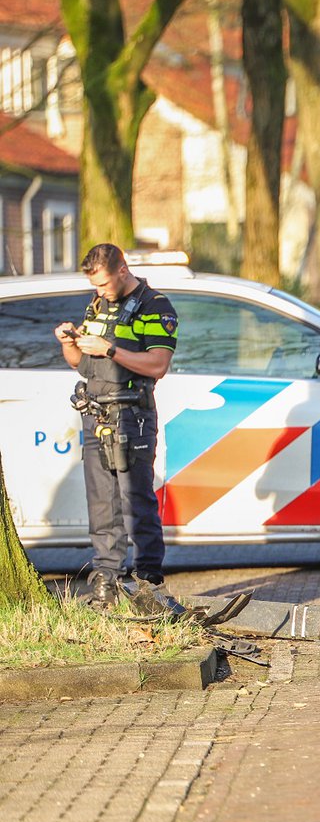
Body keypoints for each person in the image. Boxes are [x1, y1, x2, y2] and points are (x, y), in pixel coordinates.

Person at [53, 243, 182, 614]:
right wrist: (70, 344)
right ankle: (106, 585)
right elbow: (81, 364)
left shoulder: (154, 306)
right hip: (96, 414)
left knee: (135, 500)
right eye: (95, 286)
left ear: (123, 270)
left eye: (105, 284)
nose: (100, 292)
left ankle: (148, 584)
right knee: (101, 505)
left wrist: (109, 349)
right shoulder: (98, 305)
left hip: (132, 416)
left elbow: (157, 365)